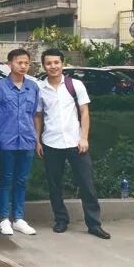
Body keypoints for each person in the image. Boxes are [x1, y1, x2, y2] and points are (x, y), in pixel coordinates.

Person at [35, 49, 110, 239]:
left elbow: (84, 112)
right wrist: (37, 140)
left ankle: (94, 224)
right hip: (51, 142)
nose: (53, 66)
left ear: (63, 64)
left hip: (76, 142)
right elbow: (38, 116)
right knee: (54, 185)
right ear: (44, 66)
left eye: (56, 62)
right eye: (49, 63)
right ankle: (61, 219)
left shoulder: (75, 85)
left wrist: (84, 137)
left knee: (87, 183)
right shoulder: (40, 89)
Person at [0, 48, 40, 236]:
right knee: (6, 178)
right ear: (9, 64)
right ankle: (4, 218)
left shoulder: (33, 87)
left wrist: (36, 138)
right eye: (19, 62)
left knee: (22, 180)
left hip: (27, 139)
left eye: (26, 63)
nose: (23, 66)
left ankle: (19, 218)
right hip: (6, 139)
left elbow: (34, 114)